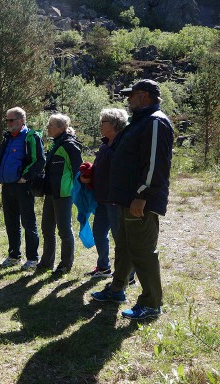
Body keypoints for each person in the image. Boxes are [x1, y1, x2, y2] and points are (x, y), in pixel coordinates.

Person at [91, 79, 174, 320]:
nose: (128, 100)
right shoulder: (139, 123)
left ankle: (151, 303)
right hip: (125, 199)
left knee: (142, 251)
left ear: (145, 97)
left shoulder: (155, 121)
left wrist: (142, 195)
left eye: (132, 95)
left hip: (139, 201)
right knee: (125, 248)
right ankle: (117, 290)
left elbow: (156, 164)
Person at [82, 108, 135, 285]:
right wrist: (88, 175)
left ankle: (129, 275)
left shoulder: (124, 143)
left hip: (116, 200)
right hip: (102, 198)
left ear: (114, 124)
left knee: (120, 238)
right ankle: (104, 267)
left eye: (103, 121)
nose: (100, 125)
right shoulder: (105, 144)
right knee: (99, 232)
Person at [0, 107, 46, 270]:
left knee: (28, 223)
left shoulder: (31, 137)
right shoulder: (8, 138)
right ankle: (14, 256)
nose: (8, 123)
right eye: (7, 120)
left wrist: (25, 177)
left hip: (23, 187)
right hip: (7, 186)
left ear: (22, 121)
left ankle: (32, 259)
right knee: (11, 222)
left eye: (11, 120)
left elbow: (39, 161)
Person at [37, 113, 83, 276]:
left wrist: (75, 191)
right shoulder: (56, 143)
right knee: (47, 228)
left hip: (63, 194)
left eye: (51, 125)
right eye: (48, 125)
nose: (47, 128)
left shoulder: (69, 145)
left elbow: (79, 171)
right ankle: (46, 263)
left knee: (64, 230)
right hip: (50, 192)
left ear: (61, 128)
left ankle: (65, 265)